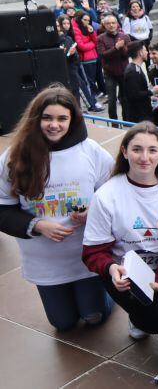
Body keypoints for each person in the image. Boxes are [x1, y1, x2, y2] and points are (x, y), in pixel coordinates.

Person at [0, 86, 113, 331]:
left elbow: (114, 195)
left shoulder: (90, 151)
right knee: (63, 323)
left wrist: (91, 212)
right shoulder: (14, 157)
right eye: (47, 118)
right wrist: (37, 225)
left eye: (62, 118)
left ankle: (109, 290)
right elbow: (3, 211)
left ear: (72, 120)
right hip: (45, 261)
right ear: (35, 118)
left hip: (86, 257)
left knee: (94, 317)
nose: (54, 125)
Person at [81, 122, 158, 340]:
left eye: (152, 150)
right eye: (137, 149)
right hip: (125, 274)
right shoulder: (107, 195)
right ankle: (137, 315)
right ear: (124, 151)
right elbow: (92, 253)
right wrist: (111, 269)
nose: (144, 157)